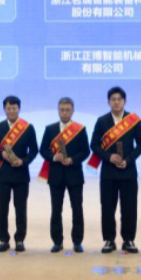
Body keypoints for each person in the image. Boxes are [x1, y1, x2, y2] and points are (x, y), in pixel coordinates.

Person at [90, 86, 141, 254]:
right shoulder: (102, 121)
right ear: (109, 102)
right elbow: (94, 145)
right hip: (108, 172)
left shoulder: (133, 120)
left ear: (124, 101)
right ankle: (109, 240)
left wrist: (128, 160)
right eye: (113, 99)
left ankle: (128, 239)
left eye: (119, 99)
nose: (116, 102)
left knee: (129, 207)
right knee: (107, 207)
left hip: (128, 171)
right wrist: (109, 157)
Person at [38, 97, 90, 253]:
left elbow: (85, 151)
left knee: (77, 209)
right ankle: (57, 242)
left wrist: (73, 159)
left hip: (74, 175)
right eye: (62, 110)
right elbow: (43, 150)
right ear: (58, 110)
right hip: (56, 175)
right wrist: (54, 157)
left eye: (68, 110)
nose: (65, 113)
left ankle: (77, 242)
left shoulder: (80, 129)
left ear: (73, 111)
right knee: (56, 210)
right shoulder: (50, 129)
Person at [0, 95, 38, 253]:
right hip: (3, 174)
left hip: (21, 174)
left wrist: (23, 161)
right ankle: (3, 239)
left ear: (19, 109)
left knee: (20, 208)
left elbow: (34, 150)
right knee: (2, 208)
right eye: (8, 108)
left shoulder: (27, 128)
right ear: (4, 109)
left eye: (14, 108)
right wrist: (0, 154)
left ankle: (20, 239)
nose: (11, 111)